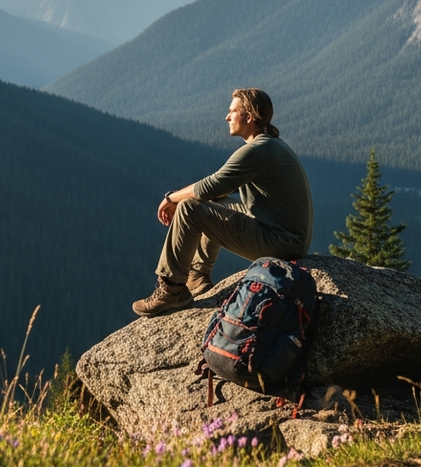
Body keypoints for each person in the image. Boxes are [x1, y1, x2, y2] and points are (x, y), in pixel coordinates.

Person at [132, 88, 313, 316]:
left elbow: (211, 186)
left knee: (190, 208)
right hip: (287, 237)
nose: (227, 117)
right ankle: (197, 277)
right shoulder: (268, 145)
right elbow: (218, 190)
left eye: (232, 112)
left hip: (280, 244)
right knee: (218, 203)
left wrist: (170, 198)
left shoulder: (256, 151)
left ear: (248, 117)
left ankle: (171, 289)